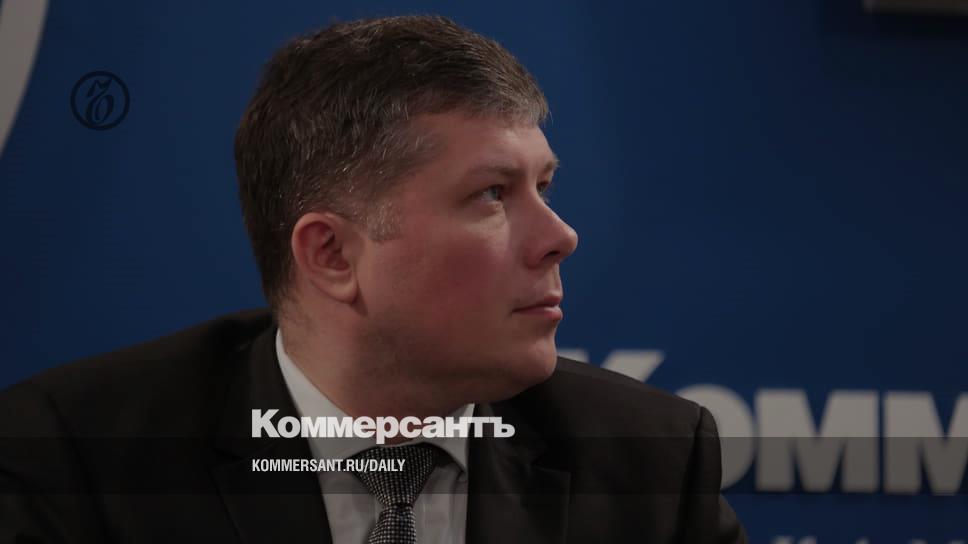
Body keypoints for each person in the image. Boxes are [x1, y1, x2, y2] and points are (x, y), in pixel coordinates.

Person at [0, 15, 746, 544]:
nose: (561, 237)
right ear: (331, 254)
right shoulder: (76, 460)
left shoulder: (647, 460)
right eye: (492, 194)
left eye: (543, 187)